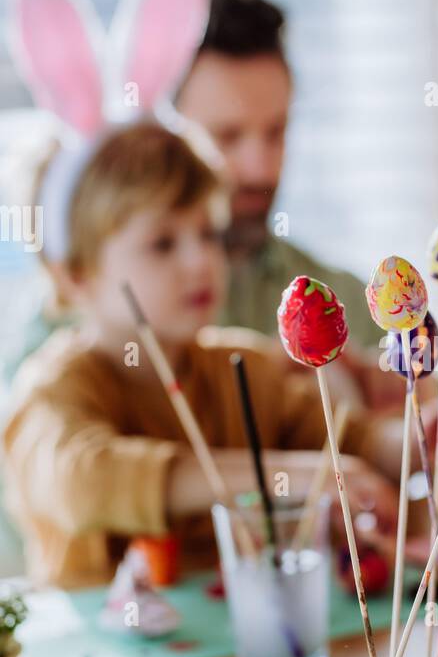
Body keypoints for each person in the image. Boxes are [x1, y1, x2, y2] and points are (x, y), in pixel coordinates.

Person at [3, 121, 400, 587]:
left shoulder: (242, 367)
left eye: (210, 234)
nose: (200, 262)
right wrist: (286, 476)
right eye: (162, 243)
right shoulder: (52, 391)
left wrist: (416, 439)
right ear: (76, 275)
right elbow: (82, 481)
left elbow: (346, 443)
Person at [174, 0, 382, 352]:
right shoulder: (96, 321)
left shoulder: (353, 315)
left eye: (276, 132)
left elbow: (430, 405)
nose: (260, 170)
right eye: (227, 137)